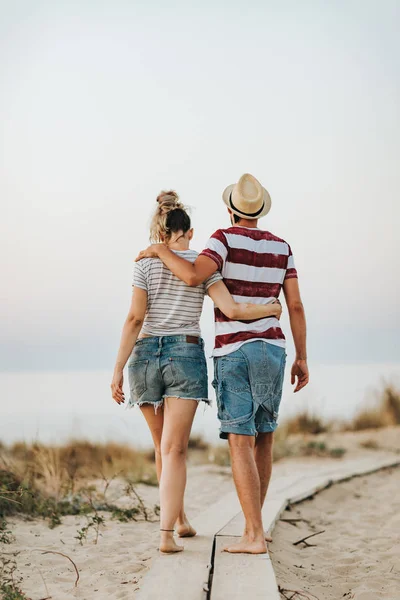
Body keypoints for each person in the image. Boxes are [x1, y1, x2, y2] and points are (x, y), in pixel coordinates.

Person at [136, 174, 309, 555]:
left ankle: (252, 535)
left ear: (231, 209)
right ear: (259, 211)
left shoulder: (223, 239)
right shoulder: (283, 247)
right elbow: (294, 305)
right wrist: (302, 356)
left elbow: (194, 274)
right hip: (274, 350)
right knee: (265, 435)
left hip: (233, 351)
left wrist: (158, 251)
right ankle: (255, 528)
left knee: (239, 440)